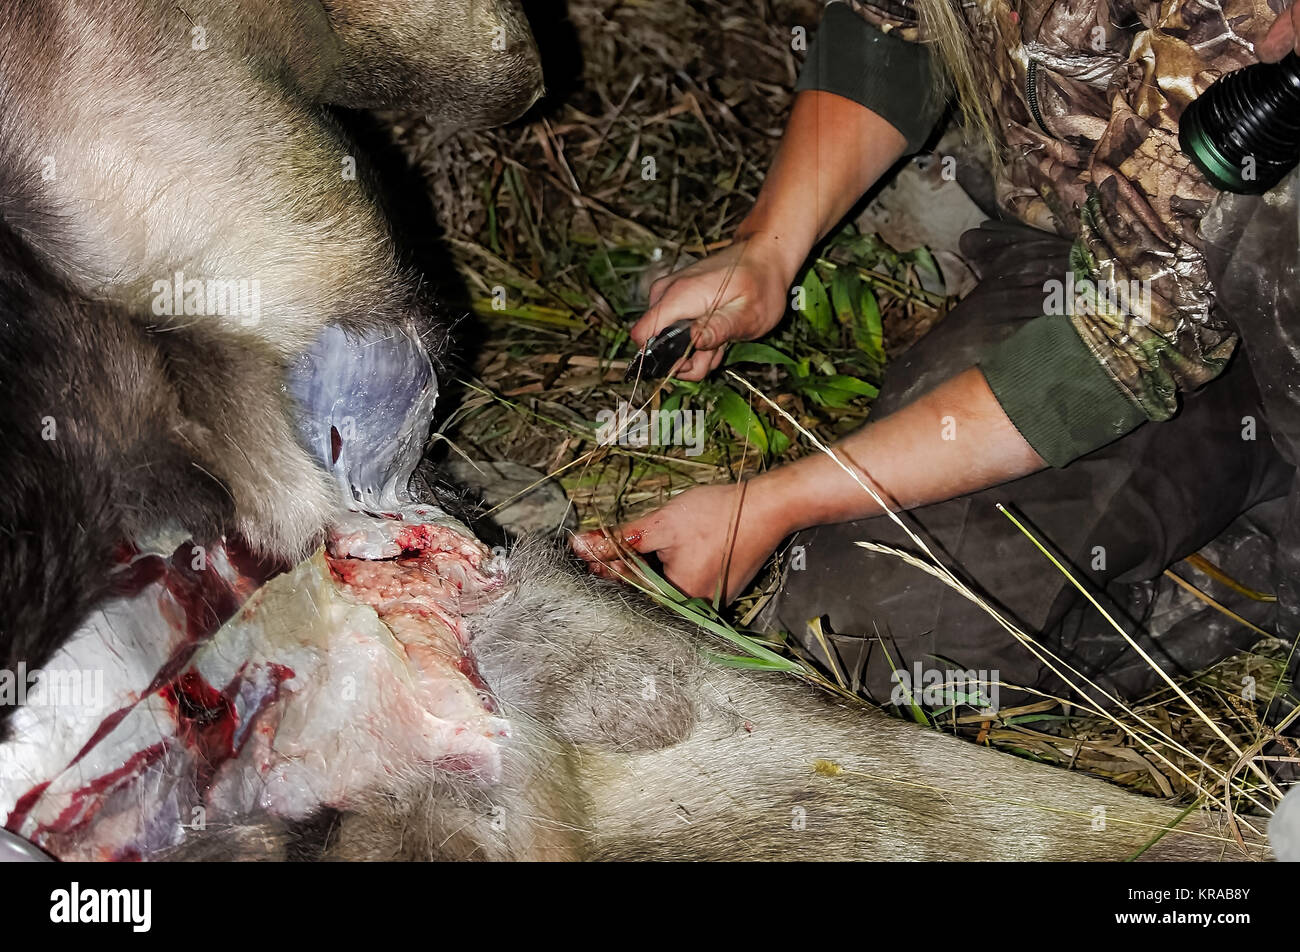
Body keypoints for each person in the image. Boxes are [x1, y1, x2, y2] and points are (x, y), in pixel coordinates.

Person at [573, 0, 1300, 708]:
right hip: (1077, 257)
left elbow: (1117, 348)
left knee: (874, 639)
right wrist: (767, 251)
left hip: (1242, 318)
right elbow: (893, 29)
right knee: (856, 610)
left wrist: (771, 505)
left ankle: (1246, 553)